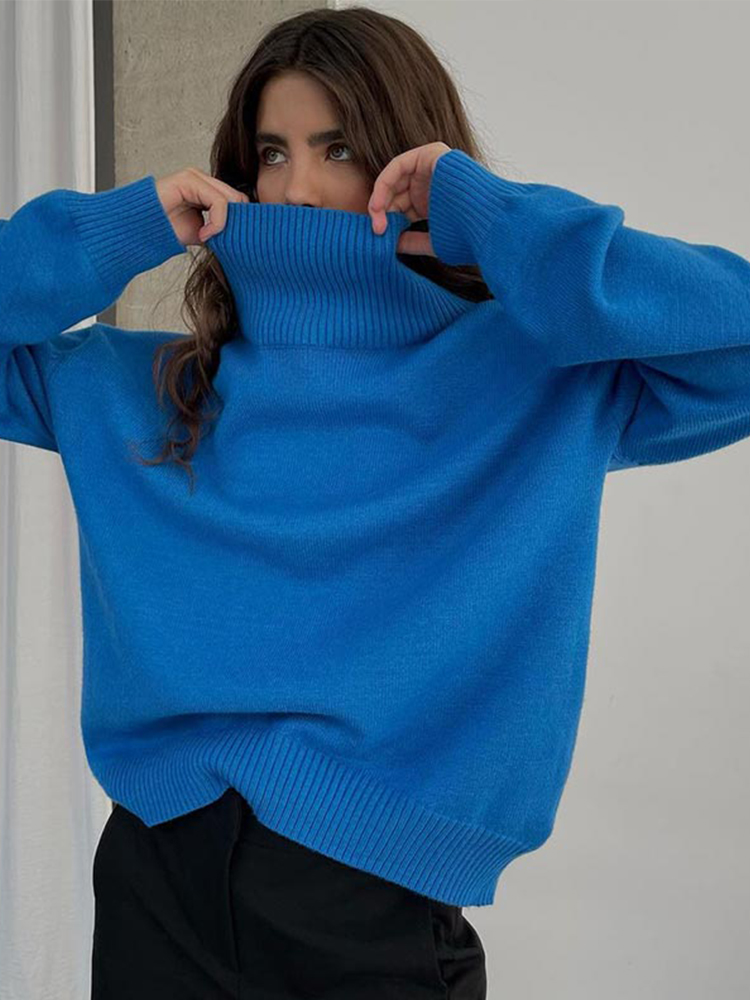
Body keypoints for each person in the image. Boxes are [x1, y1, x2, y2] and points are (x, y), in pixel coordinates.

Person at [3, 6, 750, 999]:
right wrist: (113, 231)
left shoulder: (535, 379)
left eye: (340, 148)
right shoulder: (138, 386)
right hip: (157, 882)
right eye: (271, 152)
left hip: (371, 906)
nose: (297, 189)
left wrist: (495, 220)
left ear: (406, 158)